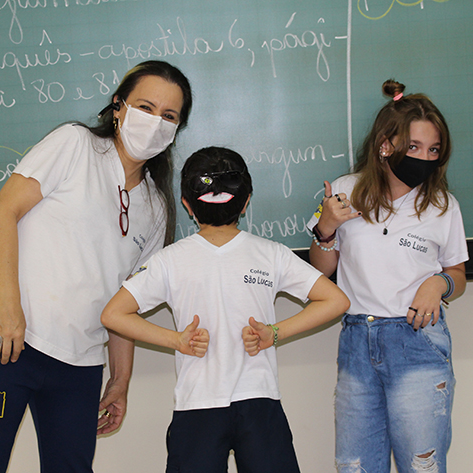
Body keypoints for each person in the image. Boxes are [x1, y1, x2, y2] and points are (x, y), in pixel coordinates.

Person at [0, 60, 193, 473]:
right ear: (117, 107)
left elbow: (125, 302)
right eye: (145, 107)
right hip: (6, 339)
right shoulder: (75, 144)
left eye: (169, 116)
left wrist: (120, 380)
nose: (155, 122)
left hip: (79, 365)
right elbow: (3, 212)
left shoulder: (156, 207)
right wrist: (7, 308)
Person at [101, 147, 350, 473]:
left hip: (218, 403)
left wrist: (177, 340)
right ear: (246, 202)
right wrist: (274, 334)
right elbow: (336, 300)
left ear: (187, 204)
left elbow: (113, 314)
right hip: (241, 403)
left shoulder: (170, 259)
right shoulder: (270, 253)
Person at [307, 79, 468, 473]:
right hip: (357, 341)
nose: (424, 158)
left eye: (433, 150)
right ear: (385, 145)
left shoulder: (443, 205)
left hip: (417, 341)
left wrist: (438, 283)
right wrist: (325, 228)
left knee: (422, 464)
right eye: (414, 147)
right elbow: (320, 271)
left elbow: (458, 274)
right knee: (356, 465)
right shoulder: (344, 191)